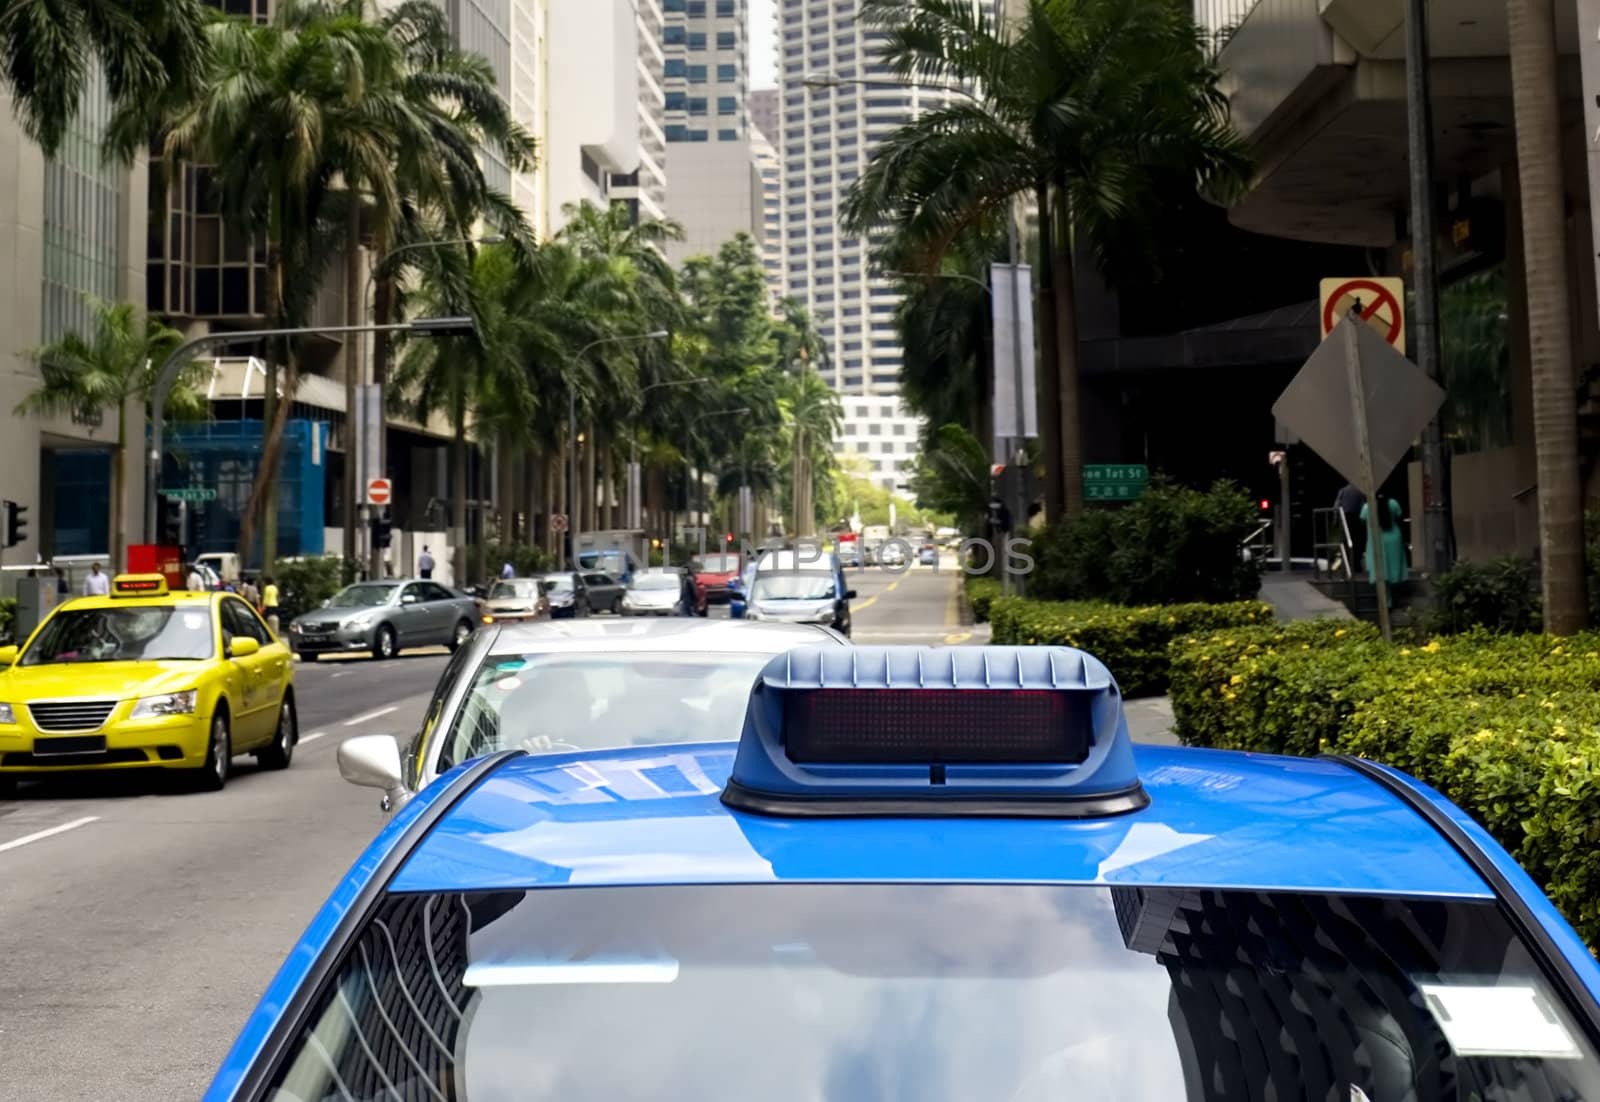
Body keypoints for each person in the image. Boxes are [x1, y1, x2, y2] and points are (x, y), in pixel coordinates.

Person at [1359, 495, 1408, 607]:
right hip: (1394, 538)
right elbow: (1400, 519)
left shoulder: (1367, 507)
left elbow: (1362, 522)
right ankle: (1392, 599)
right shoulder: (1393, 503)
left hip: (1376, 539)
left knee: (1380, 570)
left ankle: (1386, 600)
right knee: (1393, 570)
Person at [1334, 482, 1366, 573]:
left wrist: (1335, 519)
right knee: (1357, 543)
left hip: (1345, 518)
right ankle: (1356, 565)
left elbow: (1337, 505)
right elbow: (1363, 505)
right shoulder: (1360, 491)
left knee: (1346, 542)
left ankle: (1347, 565)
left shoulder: (1343, 491)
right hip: (1356, 518)